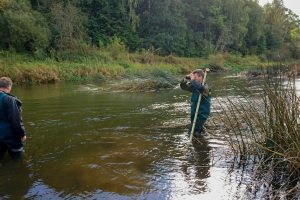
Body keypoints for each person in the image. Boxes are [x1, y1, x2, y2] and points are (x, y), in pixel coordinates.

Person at [0, 77, 26, 160]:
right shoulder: (9, 99)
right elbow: (15, 120)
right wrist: (22, 134)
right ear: (9, 87)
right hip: (11, 136)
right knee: (18, 160)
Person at [180, 69, 211, 137]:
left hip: (201, 114)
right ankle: (202, 139)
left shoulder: (206, 87)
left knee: (192, 132)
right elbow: (183, 87)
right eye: (193, 77)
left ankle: (200, 145)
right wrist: (186, 78)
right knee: (196, 131)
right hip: (194, 113)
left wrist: (192, 80)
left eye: (195, 77)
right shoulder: (194, 86)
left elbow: (200, 88)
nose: (193, 79)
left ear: (200, 77)